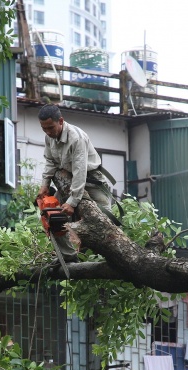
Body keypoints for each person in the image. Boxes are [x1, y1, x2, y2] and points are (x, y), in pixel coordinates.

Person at [36, 104, 112, 263]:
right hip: (66, 178)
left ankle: (94, 258)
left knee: (103, 221)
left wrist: (73, 201)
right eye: (44, 129)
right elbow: (50, 161)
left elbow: (80, 171)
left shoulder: (76, 138)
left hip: (92, 180)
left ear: (61, 121)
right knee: (52, 215)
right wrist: (45, 184)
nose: (48, 132)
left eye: (51, 128)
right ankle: (68, 256)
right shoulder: (48, 136)